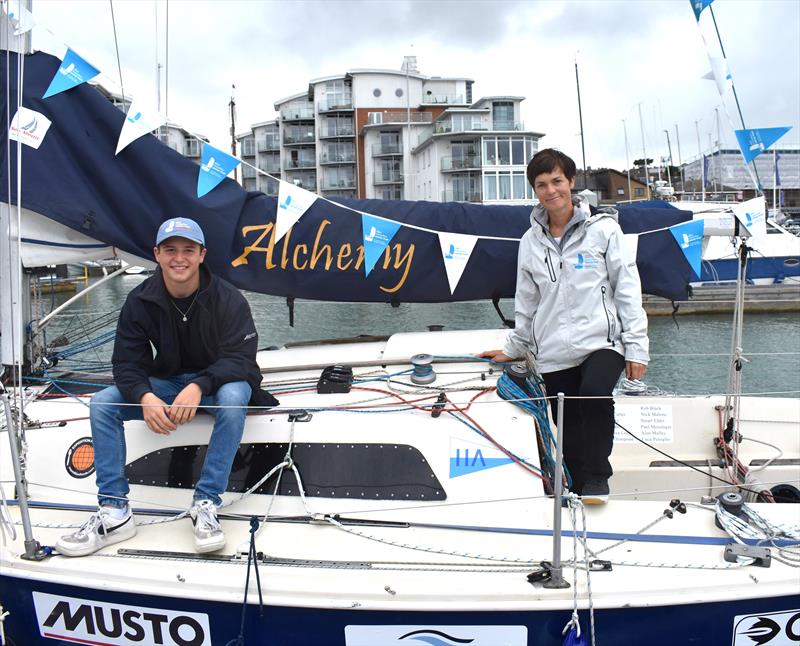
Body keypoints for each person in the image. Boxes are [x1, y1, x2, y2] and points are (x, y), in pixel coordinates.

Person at [56, 217, 278, 556]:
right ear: (156, 254)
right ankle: (115, 511)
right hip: (167, 382)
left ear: (202, 254)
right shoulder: (141, 301)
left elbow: (241, 358)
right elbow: (126, 364)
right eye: (170, 250)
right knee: (102, 404)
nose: (179, 258)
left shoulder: (228, 298)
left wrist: (201, 385)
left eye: (188, 250)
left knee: (235, 396)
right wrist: (145, 397)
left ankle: (205, 503)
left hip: (217, 385)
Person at [480, 149, 649, 504]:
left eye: (557, 181)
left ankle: (598, 478)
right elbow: (526, 302)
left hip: (601, 341)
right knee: (567, 422)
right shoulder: (530, 242)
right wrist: (513, 349)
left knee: (594, 393)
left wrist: (636, 347)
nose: (550, 190)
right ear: (534, 190)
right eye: (541, 184)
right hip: (553, 348)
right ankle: (575, 488)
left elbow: (627, 288)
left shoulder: (603, 230)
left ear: (571, 182)